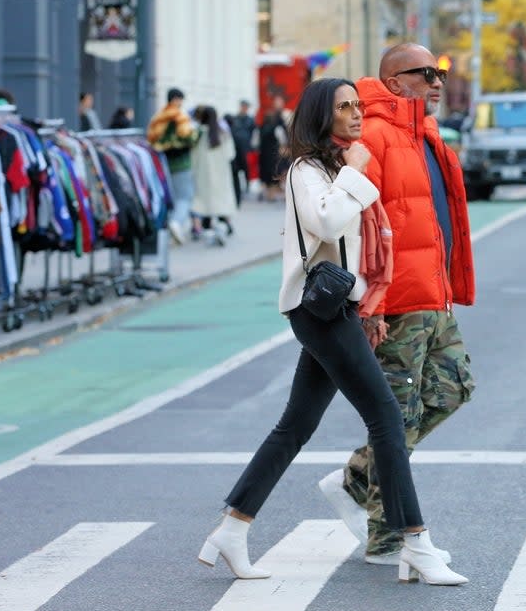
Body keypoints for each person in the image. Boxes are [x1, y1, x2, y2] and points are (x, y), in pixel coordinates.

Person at [197, 78, 466, 586]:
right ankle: (417, 543)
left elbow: (358, 244)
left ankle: (232, 530)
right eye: (344, 107)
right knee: (387, 417)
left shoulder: (338, 166)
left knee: (295, 426)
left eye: (358, 105)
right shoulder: (307, 170)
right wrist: (358, 174)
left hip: (342, 307)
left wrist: (372, 306)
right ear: (323, 116)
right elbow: (327, 220)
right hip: (318, 310)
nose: (356, 114)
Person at [317, 43, 477, 566]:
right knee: (398, 415)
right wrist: (375, 306)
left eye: (440, 73)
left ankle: (357, 478)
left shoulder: (426, 135)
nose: (437, 82)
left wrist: (447, 285)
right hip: (398, 301)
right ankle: (387, 541)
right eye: (424, 73)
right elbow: (364, 227)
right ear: (393, 79)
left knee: (453, 389)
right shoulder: (377, 137)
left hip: (433, 295)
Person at [147, 87, 200, 244]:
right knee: (185, 197)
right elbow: (189, 137)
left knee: (170, 197)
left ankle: (170, 231)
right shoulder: (180, 116)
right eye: (180, 100)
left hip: (163, 164)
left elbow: (151, 138)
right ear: (176, 99)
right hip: (181, 162)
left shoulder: (157, 117)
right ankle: (176, 222)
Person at [190, 104, 237, 244]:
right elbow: (231, 154)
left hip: (203, 174)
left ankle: (203, 229)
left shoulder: (198, 133)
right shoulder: (223, 133)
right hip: (221, 173)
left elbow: (193, 157)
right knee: (221, 202)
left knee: (202, 203)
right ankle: (222, 226)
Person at [257, 94, 289, 201]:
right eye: (276, 102)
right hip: (268, 150)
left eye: (280, 102)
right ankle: (271, 192)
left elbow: (285, 133)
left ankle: (278, 192)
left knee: (279, 170)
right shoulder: (270, 116)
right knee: (270, 170)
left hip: (276, 149)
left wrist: (286, 146)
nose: (278, 104)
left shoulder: (284, 115)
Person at [228, 99, 257, 206]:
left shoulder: (250, 120)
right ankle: (238, 190)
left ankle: (247, 188)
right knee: (236, 170)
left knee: (247, 170)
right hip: (236, 149)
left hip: (246, 149)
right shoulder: (235, 119)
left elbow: (254, 135)